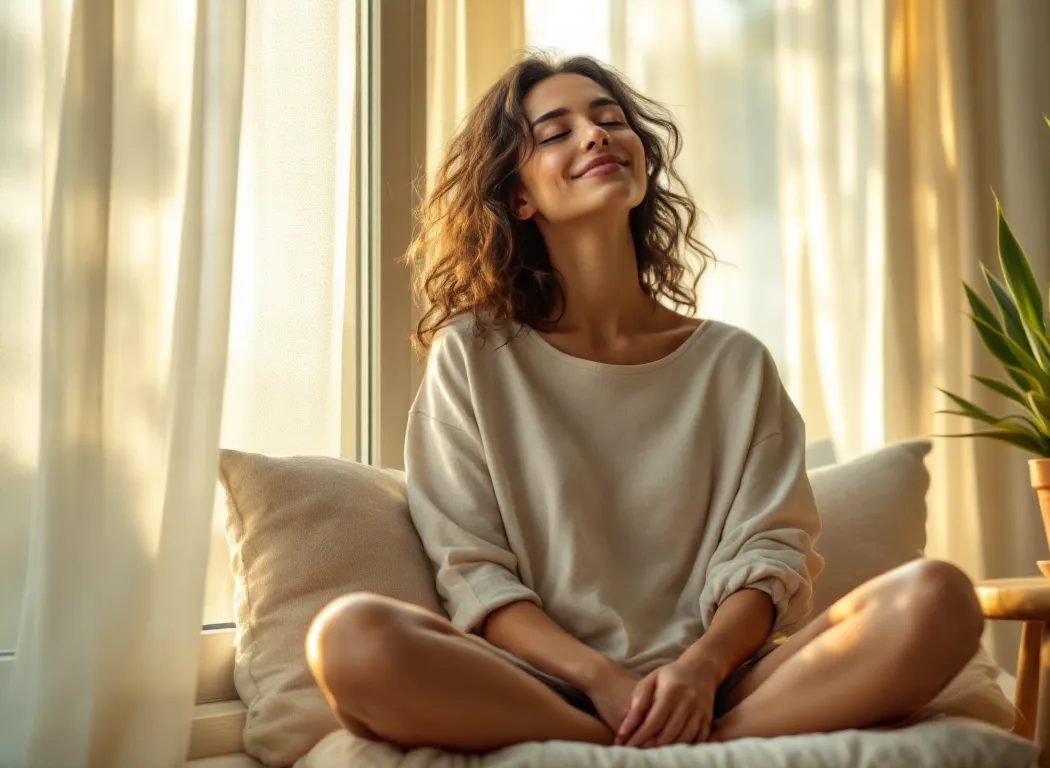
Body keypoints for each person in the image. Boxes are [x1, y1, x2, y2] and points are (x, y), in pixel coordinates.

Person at [304, 53, 984, 752]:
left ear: (641, 161)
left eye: (609, 120)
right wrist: (602, 681)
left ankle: (684, 742)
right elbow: (473, 573)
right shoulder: (473, 356)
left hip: (727, 682)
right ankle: (646, 746)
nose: (595, 136)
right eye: (555, 131)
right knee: (351, 639)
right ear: (519, 198)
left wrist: (697, 672)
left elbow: (771, 553)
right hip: (542, 685)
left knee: (938, 599)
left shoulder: (734, 363)